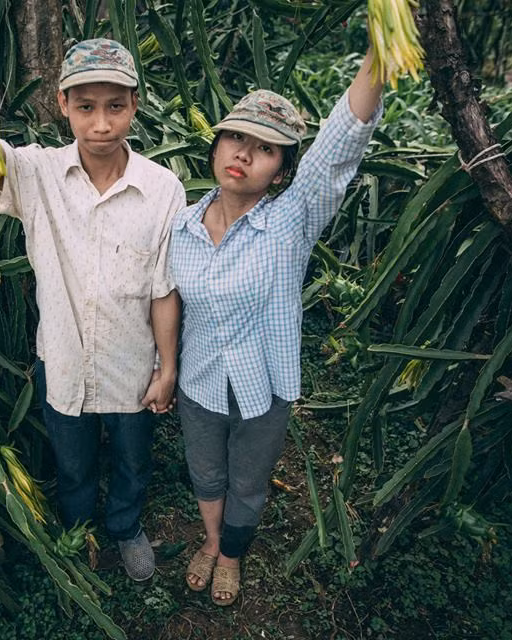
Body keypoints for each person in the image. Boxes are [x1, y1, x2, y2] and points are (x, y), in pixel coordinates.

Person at [0, 38, 185, 581]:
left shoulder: (164, 189)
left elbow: (164, 288)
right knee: (71, 463)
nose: (101, 123)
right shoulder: (37, 174)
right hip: (66, 361)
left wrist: (167, 368)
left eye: (114, 106)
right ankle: (80, 527)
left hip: (133, 363)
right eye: (86, 107)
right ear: (62, 104)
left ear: (135, 105)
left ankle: (124, 527)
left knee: (133, 459)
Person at [169, 50, 383, 605]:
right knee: (206, 472)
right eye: (236, 138)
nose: (243, 153)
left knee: (246, 482)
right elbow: (163, 300)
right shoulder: (182, 226)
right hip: (198, 379)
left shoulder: (290, 222)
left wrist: (380, 56)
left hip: (263, 385)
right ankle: (213, 541)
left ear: (281, 171)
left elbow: (338, 150)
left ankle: (233, 556)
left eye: (265, 148)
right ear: (215, 147)